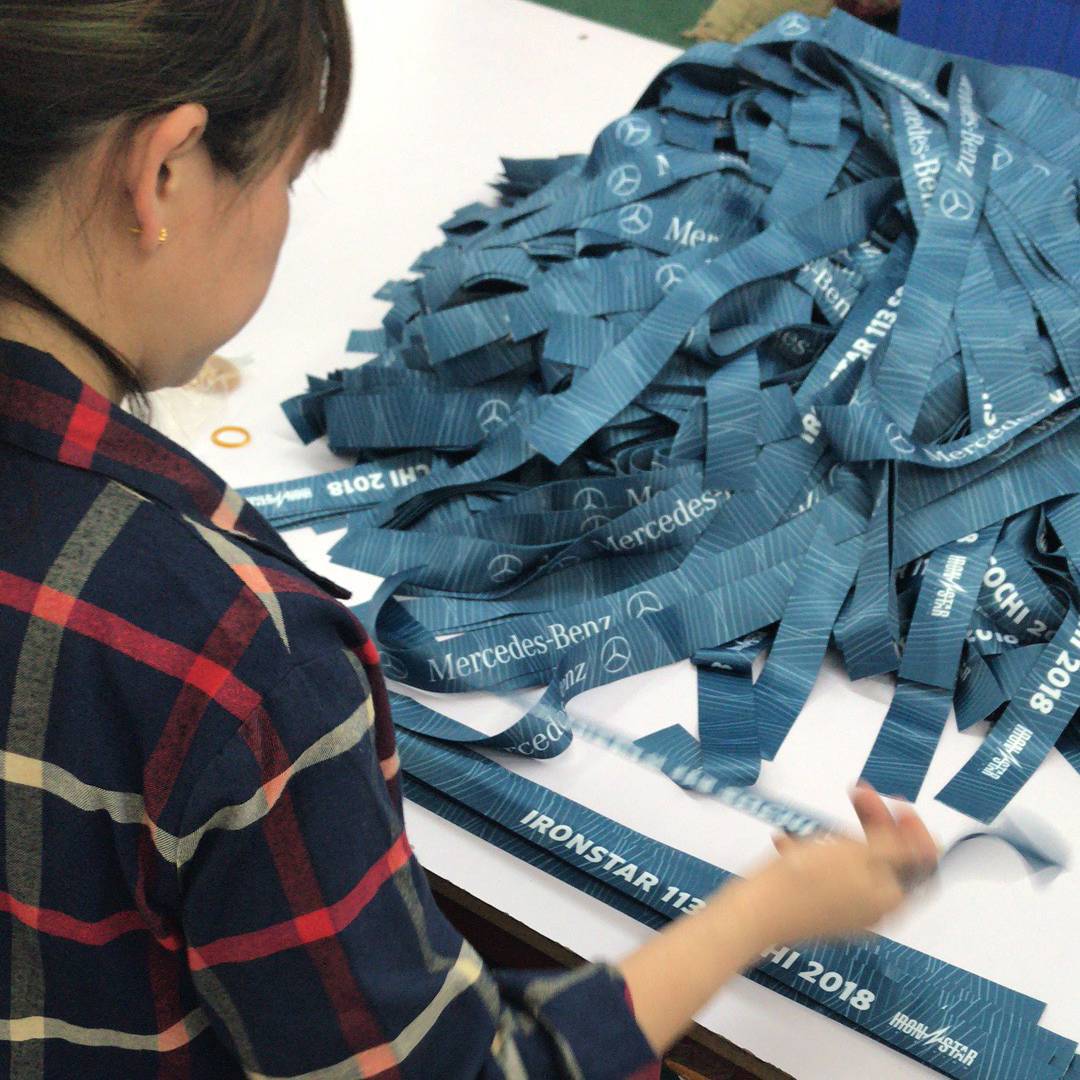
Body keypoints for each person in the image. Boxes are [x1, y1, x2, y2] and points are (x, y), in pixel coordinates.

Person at [0, 3, 940, 1077]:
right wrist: (759, 914)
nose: (282, 218)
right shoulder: (238, 661)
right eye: (287, 177)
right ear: (163, 173)